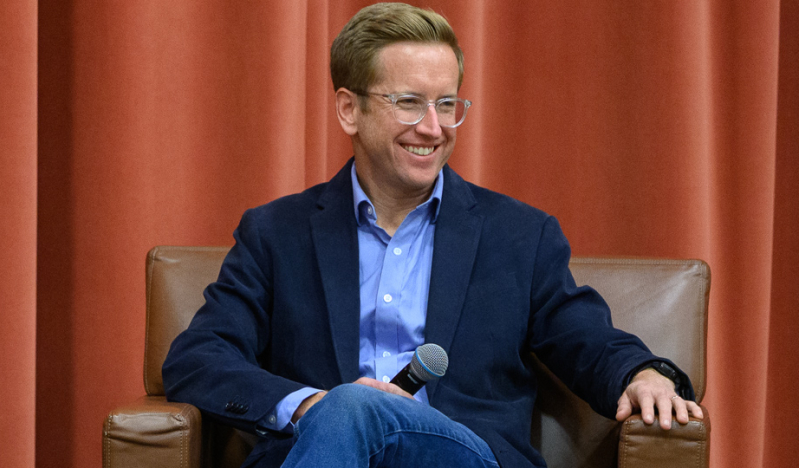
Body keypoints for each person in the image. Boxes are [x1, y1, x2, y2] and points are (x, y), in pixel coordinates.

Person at [162, 3, 703, 467]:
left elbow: (582, 335)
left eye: (447, 104)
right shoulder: (276, 234)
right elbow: (198, 358)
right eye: (409, 102)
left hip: (461, 454)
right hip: (324, 449)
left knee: (356, 407)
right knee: (349, 408)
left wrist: (642, 371)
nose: (434, 127)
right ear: (350, 109)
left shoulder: (519, 235)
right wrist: (312, 407)